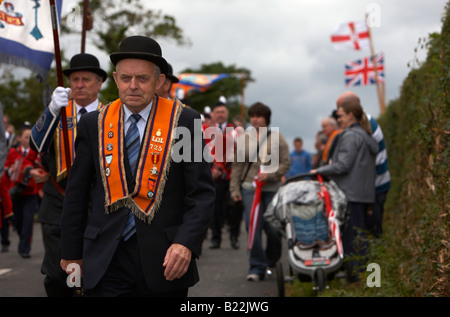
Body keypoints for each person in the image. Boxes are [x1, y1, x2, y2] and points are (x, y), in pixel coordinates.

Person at [59, 35, 214, 297]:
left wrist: (186, 243)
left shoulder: (185, 121)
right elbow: (77, 194)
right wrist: (71, 254)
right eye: (126, 78)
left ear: (159, 81)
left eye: (142, 78)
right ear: (116, 78)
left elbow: (201, 194)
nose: (133, 86)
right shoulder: (93, 124)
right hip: (105, 258)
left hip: (165, 260)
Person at [30, 53, 107, 297]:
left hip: (97, 204)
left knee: (94, 273)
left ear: (99, 83)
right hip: (59, 202)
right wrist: (52, 110)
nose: (80, 84)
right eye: (75, 79)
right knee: (58, 274)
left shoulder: (111, 115)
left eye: (86, 79)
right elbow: (36, 145)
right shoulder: (58, 112)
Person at [311, 94, 378, 282]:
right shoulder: (365, 136)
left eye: (340, 116)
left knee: (351, 236)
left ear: (350, 116)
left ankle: (356, 276)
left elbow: (343, 165)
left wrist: (318, 170)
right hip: (363, 193)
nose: (338, 119)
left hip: (349, 193)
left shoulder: (349, 137)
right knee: (360, 234)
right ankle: (366, 277)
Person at [230, 102, 290, 281]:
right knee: (253, 226)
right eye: (253, 115)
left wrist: (271, 174)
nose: (255, 119)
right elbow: (237, 166)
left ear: (266, 118)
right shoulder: (245, 138)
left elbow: (286, 164)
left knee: (273, 228)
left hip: (272, 189)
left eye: (259, 116)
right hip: (249, 188)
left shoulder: (278, 138)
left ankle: (271, 259)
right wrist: (234, 189)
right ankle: (256, 267)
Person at [3, 123, 45, 258]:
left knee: (28, 221)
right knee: (19, 221)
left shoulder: (37, 152)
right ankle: (22, 239)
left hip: (31, 192)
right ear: (19, 138)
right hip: (16, 192)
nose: (28, 140)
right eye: (26, 137)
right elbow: (6, 169)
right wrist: (12, 170)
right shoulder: (13, 152)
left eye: (30, 137)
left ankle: (25, 248)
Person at [209, 101, 240, 249]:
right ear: (214, 115)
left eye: (223, 112)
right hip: (215, 175)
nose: (220, 114)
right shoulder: (207, 131)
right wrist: (213, 167)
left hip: (232, 174)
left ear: (227, 113)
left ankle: (234, 236)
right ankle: (216, 238)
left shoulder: (235, 130)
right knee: (215, 208)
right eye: (218, 112)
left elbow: (240, 151)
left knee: (234, 207)